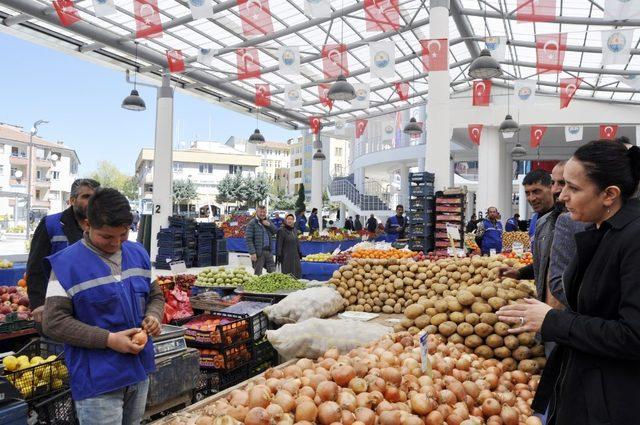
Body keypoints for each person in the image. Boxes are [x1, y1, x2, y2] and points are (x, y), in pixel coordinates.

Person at [497, 140, 640, 425]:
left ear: (609, 194)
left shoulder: (634, 239)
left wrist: (554, 321)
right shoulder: (601, 231)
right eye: (561, 186)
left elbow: (634, 336)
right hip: (588, 385)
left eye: (573, 188)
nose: (561, 196)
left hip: (613, 400)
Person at [42, 188, 164, 424]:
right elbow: (54, 322)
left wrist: (154, 316)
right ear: (87, 225)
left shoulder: (138, 253)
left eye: (123, 234)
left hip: (138, 372)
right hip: (98, 380)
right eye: (107, 237)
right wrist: (109, 339)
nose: (116, 243)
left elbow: (155, 296)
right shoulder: (67, 265)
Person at [27, 178, 100, 324]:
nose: (91, 202)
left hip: (91, 307)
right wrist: (38, 303)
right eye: (86, 197)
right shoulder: (51, 224)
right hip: (57, 307)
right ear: (72, 200)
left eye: (95, 198)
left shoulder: (100, 226)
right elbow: (35, 267)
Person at [245, 206, 277, 275]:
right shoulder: (252, 223)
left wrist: (269, 225)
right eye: (261, 212)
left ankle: (271, 285)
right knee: (258, 273)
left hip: (268, 251)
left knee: (273, 272)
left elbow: (275, 231)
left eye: (264, 212)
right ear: (257, 212)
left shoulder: (268, 221)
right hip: (258, 252)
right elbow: (249, 239)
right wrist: (252, 253)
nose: (262, 214)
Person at [276, 214, 302, 278]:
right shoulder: (281, 230)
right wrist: (279, 255)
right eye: (288, 219)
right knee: (287, 273)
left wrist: (299, 252)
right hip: (286, 256)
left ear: (294, 221)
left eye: (291, 219)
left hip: (295, 256)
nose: (290, 220)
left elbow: (297, 242)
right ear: (285, 220)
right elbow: (278, 244)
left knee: (296, 272)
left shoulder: (294, 230)